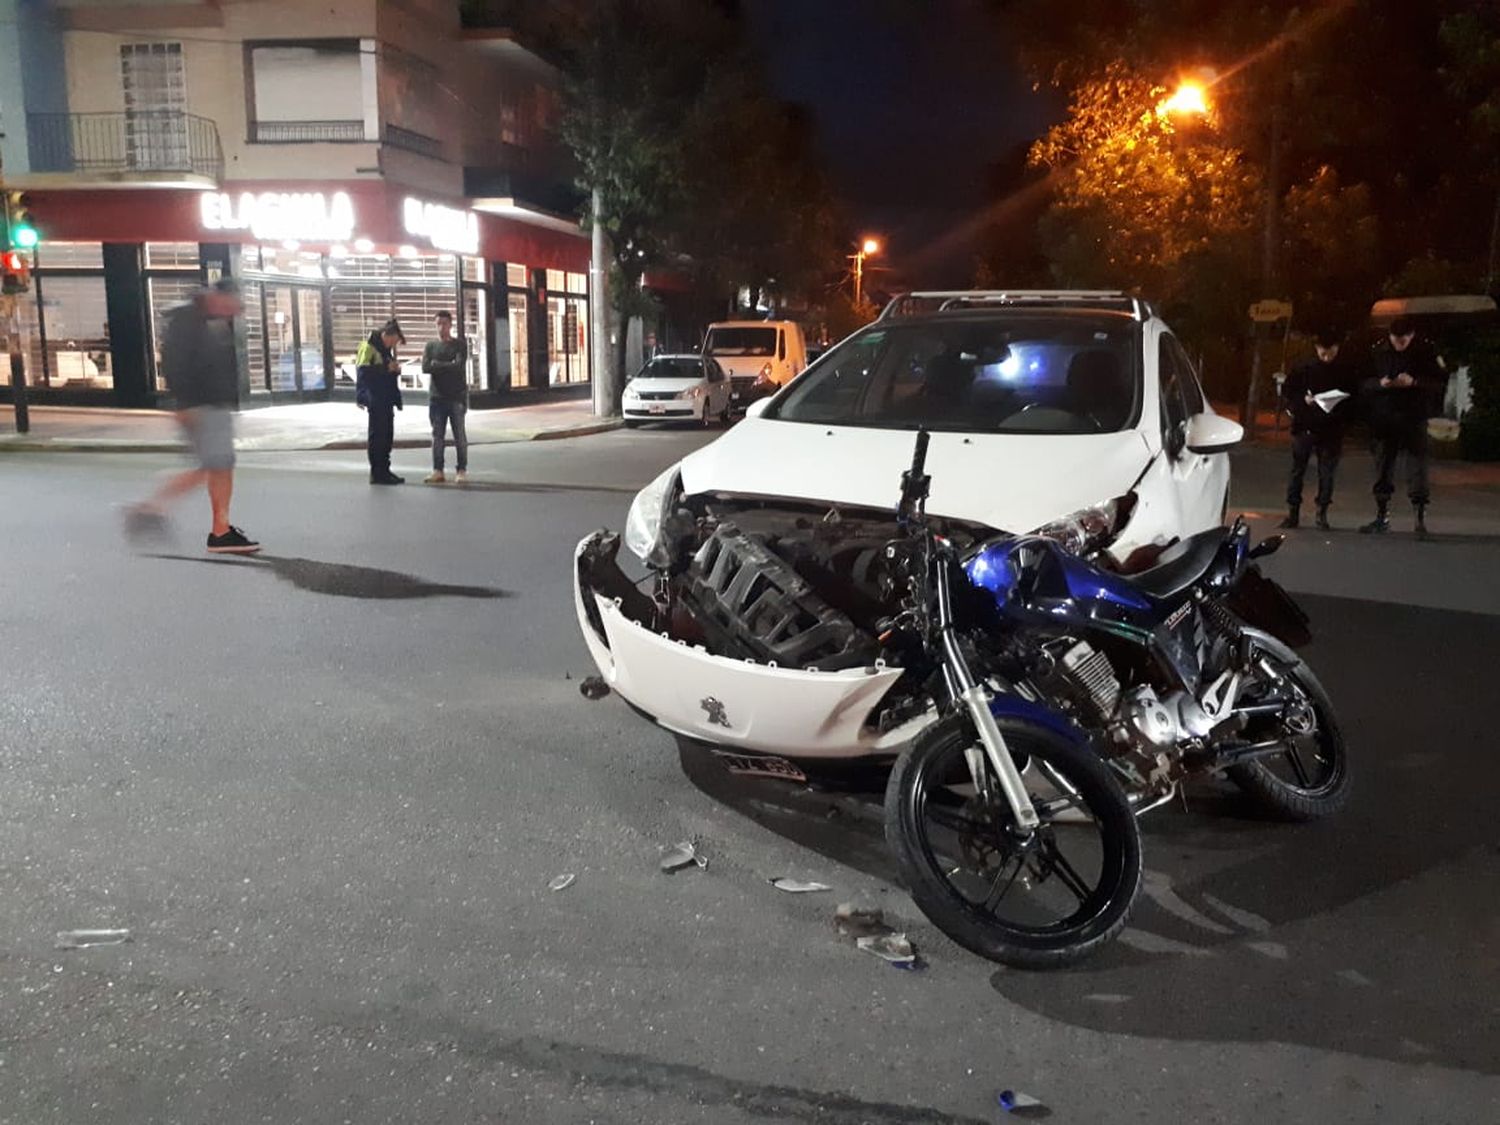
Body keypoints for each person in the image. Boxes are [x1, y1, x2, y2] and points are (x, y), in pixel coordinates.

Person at [127, 279, 259, 554]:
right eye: (232, 306)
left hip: (211, 406)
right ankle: (153, 510)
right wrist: (185, 405)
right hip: (201, 406)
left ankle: (219, 529)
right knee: (212, 467)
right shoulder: (188, 320)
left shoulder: (207, 318)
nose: (233, 313)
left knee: (217, 467)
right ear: (219, 297)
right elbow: (177, 364)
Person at [1360, 316, 1446, 537]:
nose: (1399, 344)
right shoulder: (1378, 352)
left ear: (1412, 335)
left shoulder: (1425, 352)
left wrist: (1415, 382)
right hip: (1385, 417)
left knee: (1417, 467)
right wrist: (1380, 384)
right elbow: (1362, 383)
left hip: (1413, 417)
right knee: (1383, 468)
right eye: (1395, 340)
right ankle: (1382, 516)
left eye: (1404, 340)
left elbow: (1439, 383)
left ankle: (1419, 519)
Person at [1279, 328, 1355, 530]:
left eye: (1330, 352)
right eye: (1323, 351)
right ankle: (1292, 512)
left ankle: (1322, 512)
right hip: (1305, 425)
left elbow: (1353, 397)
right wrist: (1303, 400)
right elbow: (1288, 391)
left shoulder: (1345, 370)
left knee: (1327, 472)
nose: (1326, 356)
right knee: (1297, 470)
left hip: (1331, 428)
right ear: (1317, 349)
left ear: (1337, 349)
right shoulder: (1304, 367)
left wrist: (1340, 405)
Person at [356, 318, 405, 485]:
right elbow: (363, 374)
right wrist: (386, 368)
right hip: (375, 399)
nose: (394, 345)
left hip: (385, 399)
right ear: (387, 335)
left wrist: (393, 370)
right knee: (377, 437)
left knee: (387, 437)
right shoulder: (368, 347)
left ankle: (385, 470)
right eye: (394, 341)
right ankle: (377, 473)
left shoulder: (384, 350)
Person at [422, 310, 469, 484]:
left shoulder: (459, 345)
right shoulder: (430, 346)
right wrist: (446, 365)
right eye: (438, 323)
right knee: (437, 436)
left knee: (459, 436)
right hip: (436, 397)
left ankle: (461, 469)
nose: (441, 327)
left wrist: (437, 364)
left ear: (451, 324)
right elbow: (426, 367)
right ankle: (438, 470)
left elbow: (458, 366)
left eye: (444, 323)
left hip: (456, 397)